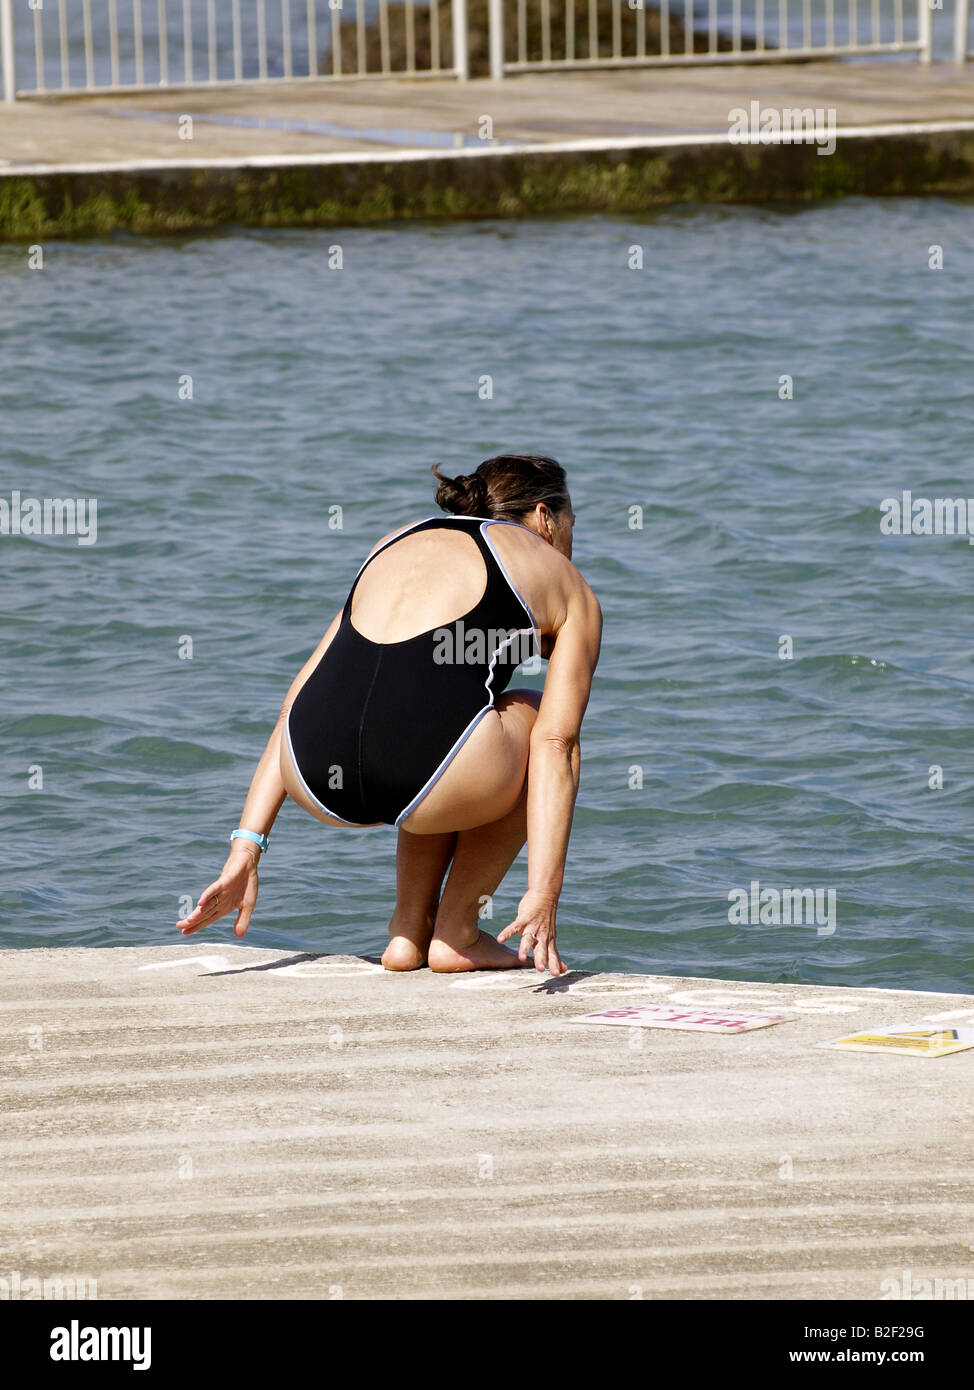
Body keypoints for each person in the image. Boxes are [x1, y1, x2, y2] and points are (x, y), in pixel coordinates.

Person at [177, 454, 602, 975]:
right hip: (429, 772)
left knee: (441, 707)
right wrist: (543, 894)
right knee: (532, 713)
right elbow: (558, 745)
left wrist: (246, 849)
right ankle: (457, 932)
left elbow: (296, 699)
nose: (571, 540)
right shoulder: (563, 580)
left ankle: (406, 931)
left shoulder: (395, 541)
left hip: (312, 771)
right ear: (544, 517)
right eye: (571, 524)